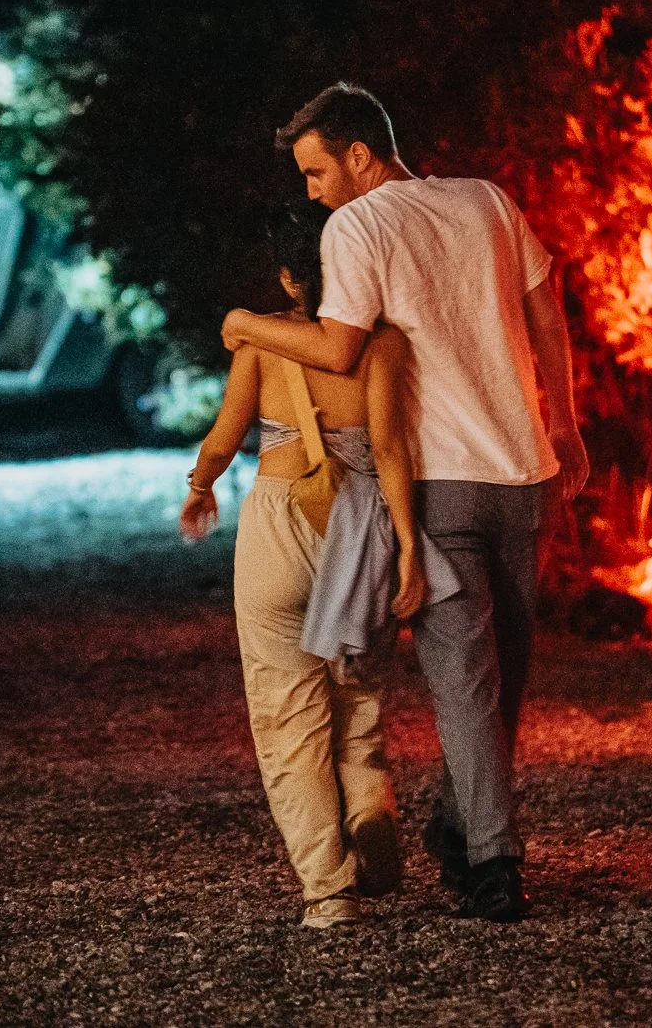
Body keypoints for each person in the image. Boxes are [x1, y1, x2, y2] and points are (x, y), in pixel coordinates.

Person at [222, 82, 590, 922]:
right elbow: (544, 302)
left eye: (317, 172)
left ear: (360, 155)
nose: (312, 193)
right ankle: (485, 850)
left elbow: (341, 344)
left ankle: (475, 841)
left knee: (473, 680)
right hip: (523, 468)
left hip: (438, 480)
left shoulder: (357, 224)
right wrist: (564, 419)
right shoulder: (486, 200)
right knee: (503, 677)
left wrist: (245, 323)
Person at [180, 202, 428, 929]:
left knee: (288, 718)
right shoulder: (384, 346)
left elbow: (227, 437)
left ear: (290, 276)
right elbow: (390, 450)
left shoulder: (263, 340)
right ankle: (368, 804)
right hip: (356, 529)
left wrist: (199, 489)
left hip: (278, 521)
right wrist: (409, 544)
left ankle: (328, 892)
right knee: (357, 694)